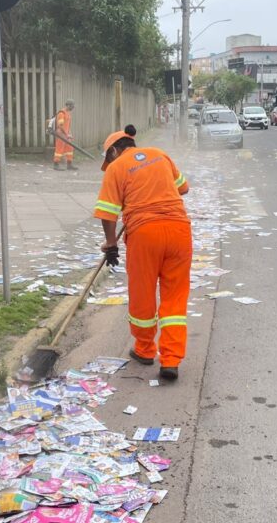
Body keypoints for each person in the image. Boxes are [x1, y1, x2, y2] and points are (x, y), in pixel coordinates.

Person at [94, 125, 191, 381]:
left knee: (143, 292)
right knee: (175, 296)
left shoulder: (116, 168)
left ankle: (145, 350)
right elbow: (183, 188)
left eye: (108, 157)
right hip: (179, 231)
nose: (109, 162)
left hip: (145, 234)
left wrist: (111, 243)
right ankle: (171, 359)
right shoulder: (160, 154)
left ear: (114, 150)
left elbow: (107, 212)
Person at [53, 99, 77, 171]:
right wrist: (66, 134)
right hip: (61, 134)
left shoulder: (68, 114)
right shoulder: (61, 113)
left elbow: (68, 126)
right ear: (68, 105)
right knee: (59, 150)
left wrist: (69, 134)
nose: (73, 107)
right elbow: (61, 126)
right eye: (72, 106)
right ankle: (56, 165)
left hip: (66, 134)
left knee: (69, 149)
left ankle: (69, 164)